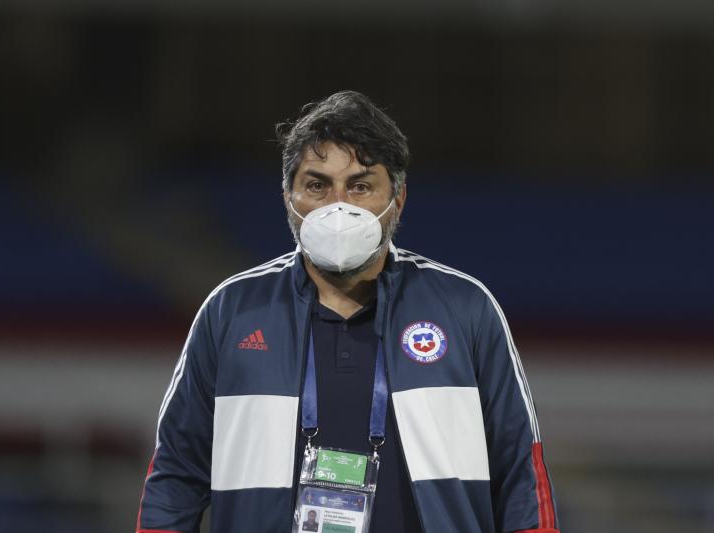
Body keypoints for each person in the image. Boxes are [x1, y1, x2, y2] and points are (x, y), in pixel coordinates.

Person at [135, 90, 560, 533]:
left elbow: (521, 474)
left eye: (360, 186)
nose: (338, 207)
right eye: (317, 185)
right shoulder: (232, 311)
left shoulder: (465, 307)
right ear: (287, 197)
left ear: (398, 198)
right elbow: (176, 477)